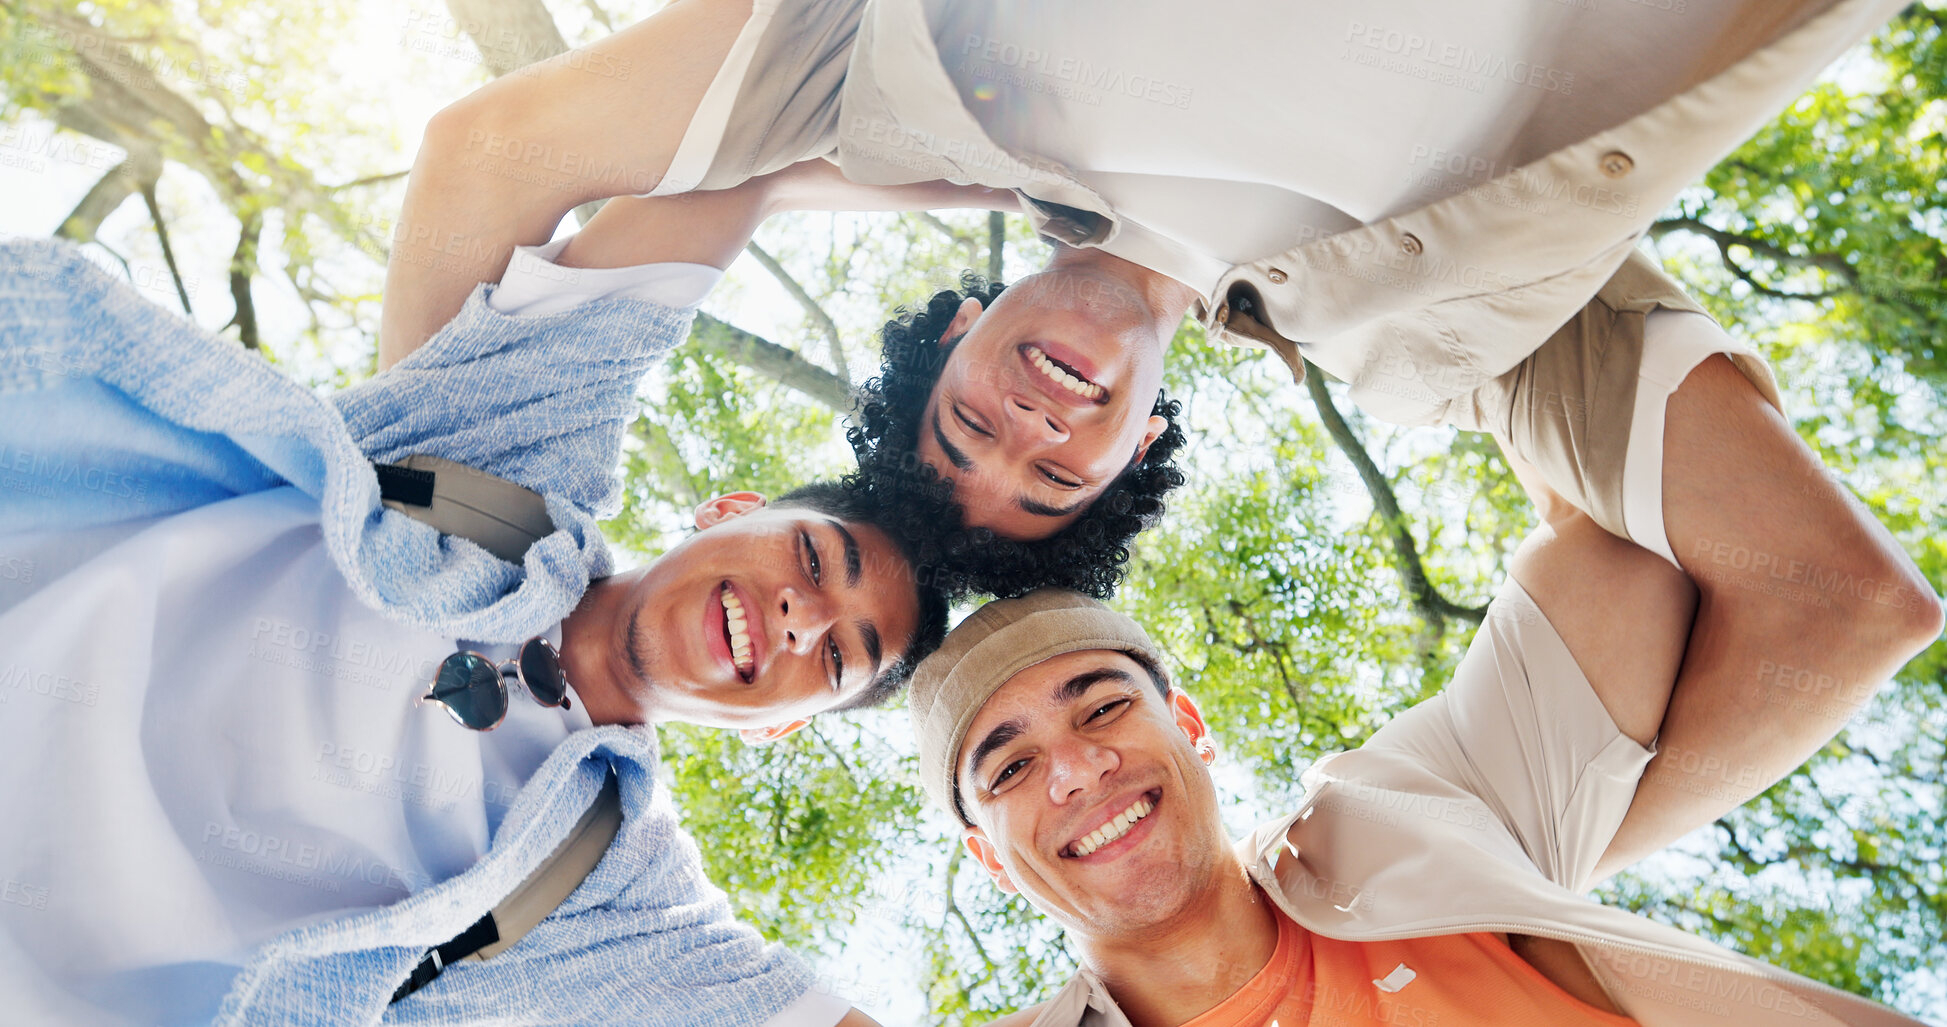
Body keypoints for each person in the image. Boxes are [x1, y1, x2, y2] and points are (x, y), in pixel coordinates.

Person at [381, 0, 1932, 862]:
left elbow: (495, 152)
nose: (1032, 421)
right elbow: (1841, 602)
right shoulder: (1434, 327)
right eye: (1054, 471)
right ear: (1136, 453)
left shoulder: (899, 76)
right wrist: (1503, 885)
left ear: (953, 328)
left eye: (966, 424)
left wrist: (407, 526)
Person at [0, 162, 958, 1026]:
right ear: (730, 509)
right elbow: (741, 178)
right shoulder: (514, 461)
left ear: (779, 726)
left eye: (839, 655)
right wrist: (1037, 204)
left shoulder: (616, 892)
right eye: (812, 559)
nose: (802, 617)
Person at [909, 569, 1939, 1024]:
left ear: (1190, 726)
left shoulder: (1404, 818)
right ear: (988, 856)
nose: (1076, 769)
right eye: (1009, 768)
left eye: (1101, 707)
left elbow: (1639, 556)